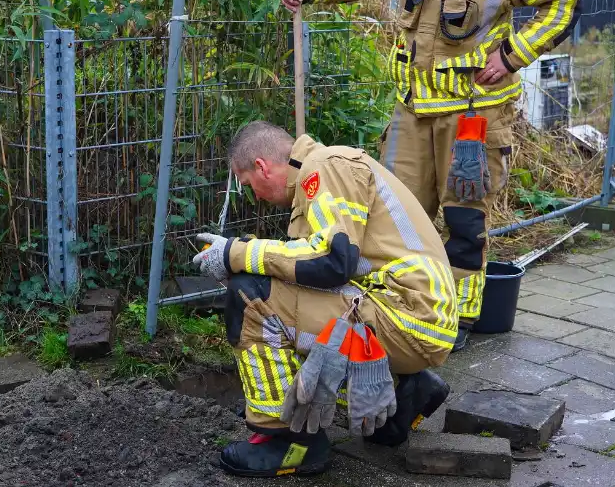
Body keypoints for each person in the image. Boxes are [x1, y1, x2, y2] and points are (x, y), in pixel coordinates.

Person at [281, 0, 582, 352]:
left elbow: (563, 1)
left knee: (464, 220)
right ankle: (402, 310)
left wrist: (512, 56)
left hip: (474, 116)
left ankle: (459, 322)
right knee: (397, 214)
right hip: (411, 110)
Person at [192, 121, 457, 478]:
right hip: (410, 311)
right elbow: (316, 269)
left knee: (252, 298)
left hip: (406, 313)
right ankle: (403, 397)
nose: (253, 194)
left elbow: (334, 260)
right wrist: (244, 257)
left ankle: (289, 441)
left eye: (247, 184)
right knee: (272, 291)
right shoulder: (321, 176)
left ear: (261, 166)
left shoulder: (327, 165)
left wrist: (236, 254)